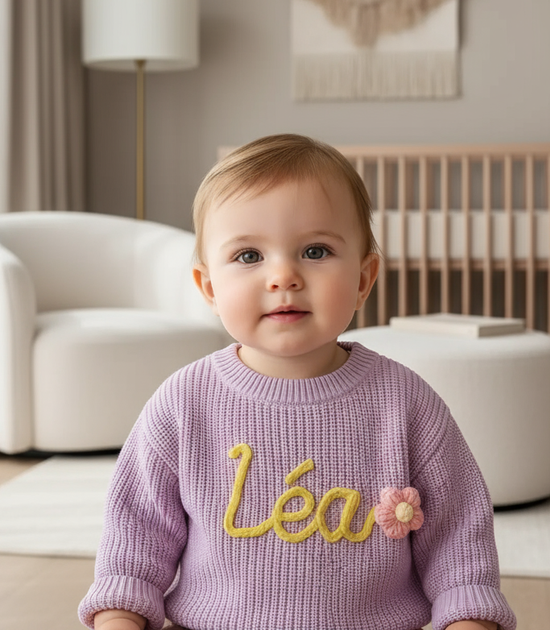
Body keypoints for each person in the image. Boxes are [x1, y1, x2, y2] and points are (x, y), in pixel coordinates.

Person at [79, 134, 516, 630]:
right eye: (248, 256)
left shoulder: (407, 403)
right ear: (208, 287)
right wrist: (120, 616)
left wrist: (469, 618)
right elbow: (133, 544)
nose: (283, 276)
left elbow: (460, 544)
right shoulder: (183, 403)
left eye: (314, 250)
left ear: (363, 279)